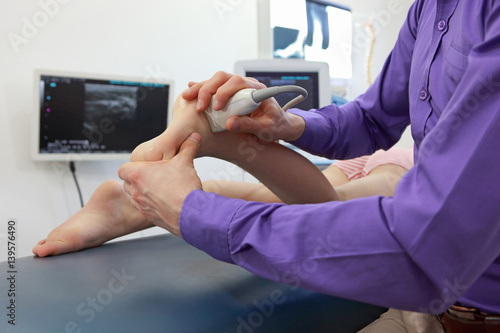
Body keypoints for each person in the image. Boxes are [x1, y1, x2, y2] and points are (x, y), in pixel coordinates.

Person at [115, 1, 500, 332]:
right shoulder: (427, 10)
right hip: (434, 305)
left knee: (343, 195)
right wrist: (288, 125)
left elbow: (428, 245)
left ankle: (206, 159)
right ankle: (221, 147)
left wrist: (192, 211)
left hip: (472, 296)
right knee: (331, 193)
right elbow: (372, 119)